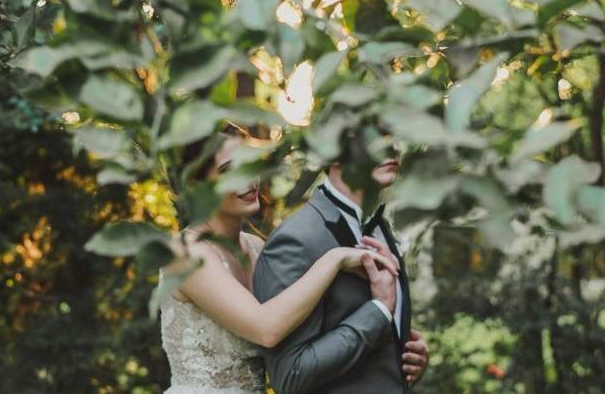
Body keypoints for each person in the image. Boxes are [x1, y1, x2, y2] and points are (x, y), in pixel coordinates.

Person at [159, 125, 400, 394]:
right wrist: (334, 259)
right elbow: (267, 329)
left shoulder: (257, 247)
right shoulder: (185, 254)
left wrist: (395, 346)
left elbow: (298, 350)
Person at [252, 155, 429, 393]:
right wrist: (379, 310)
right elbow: (289, 376)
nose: (392, 147)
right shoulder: (296, 239)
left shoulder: (378, 225)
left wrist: (403, 364)